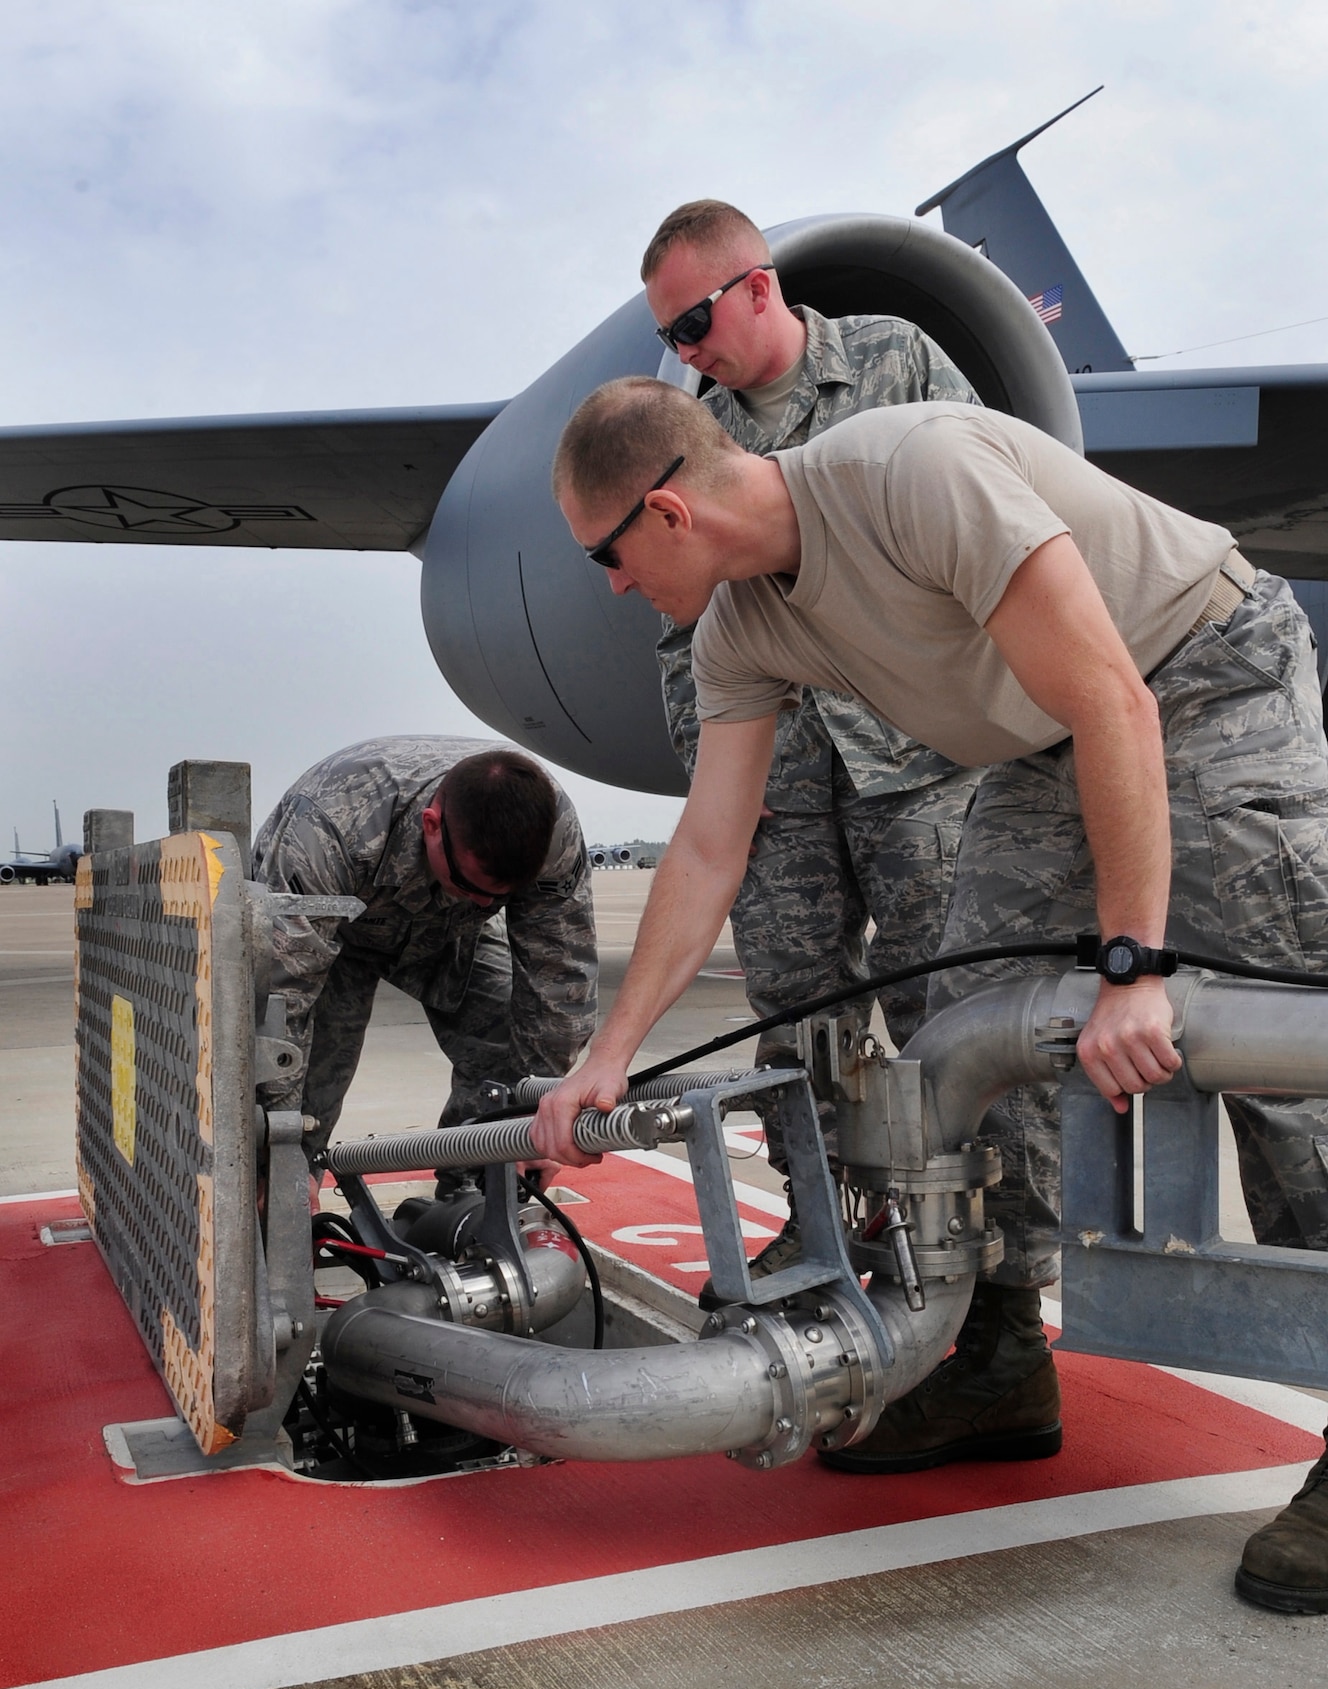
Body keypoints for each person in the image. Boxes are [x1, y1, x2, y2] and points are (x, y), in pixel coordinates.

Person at [532, 377, 1328, 1614]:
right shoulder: (738, 631)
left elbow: (1115, 692)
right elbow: (705, 848)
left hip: (1198, 669)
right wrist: (608, 1053)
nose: (612, 584)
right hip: (1045, 737)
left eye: (606, 554)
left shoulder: (909, 468)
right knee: (966, 1019)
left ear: (668, 510)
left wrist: (1131, 962)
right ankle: (1003, 1351)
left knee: (1260, 1030)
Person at [642, 200, 981, 1300]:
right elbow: (676, 631)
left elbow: (988, 514)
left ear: (755, 285)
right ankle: (821, 1225)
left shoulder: (896, 360)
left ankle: (966, 1252)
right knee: (796, 1015)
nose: (686, 353)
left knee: (949, 1009)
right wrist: (720, 777)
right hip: (781, 777)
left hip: (914, 761)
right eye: (672, 338)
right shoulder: (693, 436)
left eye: (693, 323)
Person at [252, 736, 597, 1171]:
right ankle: (292, 1202)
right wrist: (281, 1159)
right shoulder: (329, 826)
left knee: (507, 1062)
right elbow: (282, 1004)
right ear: (431, 825)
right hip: (335, 934)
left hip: (450, 928)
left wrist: (533, 1120)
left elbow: (560, 982)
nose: (488, 904)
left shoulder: (551, 832)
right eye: (472, 884)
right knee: (307, 1091)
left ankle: (469, 1200)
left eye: (502, 898)